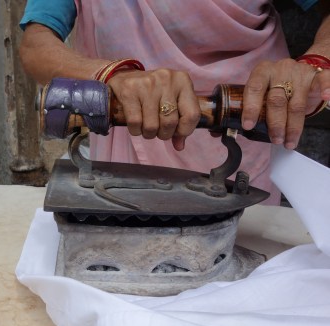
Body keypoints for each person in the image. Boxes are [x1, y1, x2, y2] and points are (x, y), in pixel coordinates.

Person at [19, 0, 330, 204]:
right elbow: (36, 44)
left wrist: (316, 62)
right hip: (129, 124)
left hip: (246, 122)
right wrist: (110, 74)